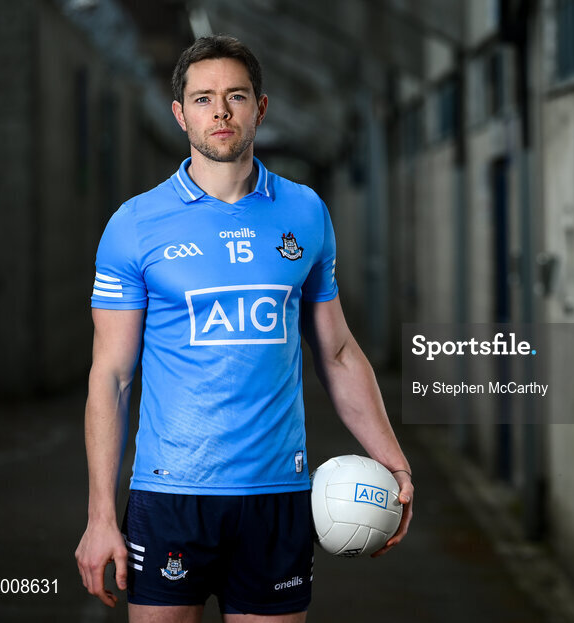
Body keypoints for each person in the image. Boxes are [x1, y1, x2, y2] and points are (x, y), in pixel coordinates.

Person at [74, 35, 413, 623]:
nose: (221, 112)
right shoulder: (135, 225)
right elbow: (112, 376)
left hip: (278, 497)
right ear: (180, 114)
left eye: (236, 96)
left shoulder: (305, 211)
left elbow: (334, 351)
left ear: (261, 107)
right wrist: (101, 514)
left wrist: (395, 464)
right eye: (203, 99)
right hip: (170, 494)